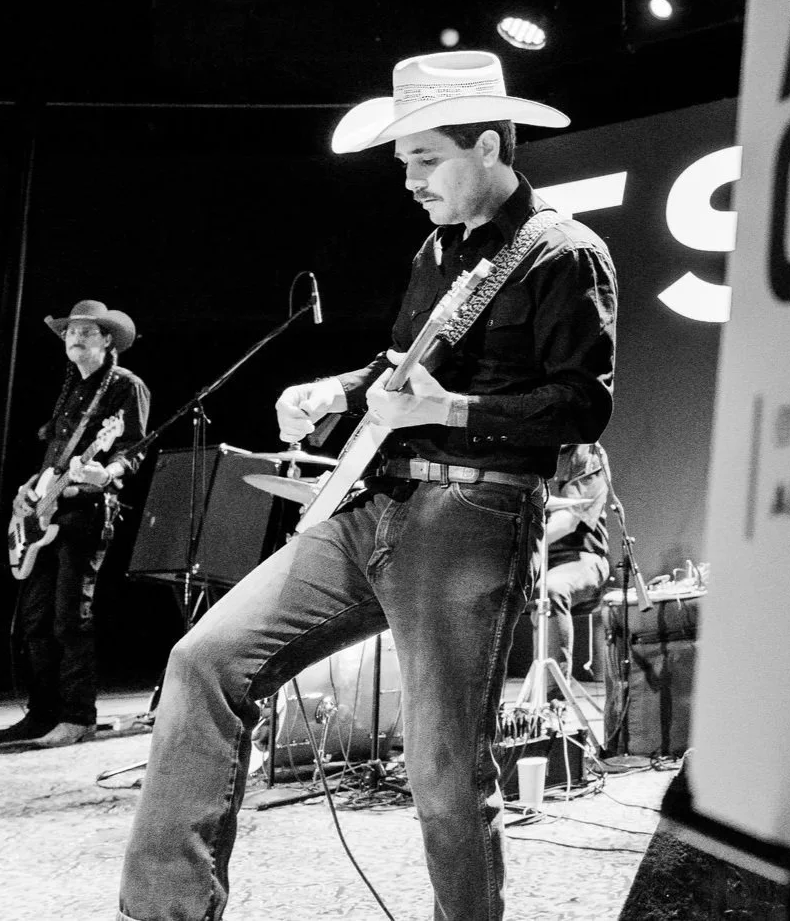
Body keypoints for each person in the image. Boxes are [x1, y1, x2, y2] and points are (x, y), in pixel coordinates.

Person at [118, 51, 617, 921]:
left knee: (441, 773)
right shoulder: (435, 250)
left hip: (472, 515)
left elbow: (582, 405)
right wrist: (339, 390)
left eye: (426, 159)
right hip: (369, 506)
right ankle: (164, 912)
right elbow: (398, 365)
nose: (410, 181)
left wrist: (454, 406)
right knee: (203, 660)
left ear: (491, 146)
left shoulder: (564, 252)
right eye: (404, 165)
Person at [0, 300, 149, 746]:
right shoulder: (70, 389)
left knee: (69, 618)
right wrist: (29, 491)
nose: (73, 337)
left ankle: (78, 718)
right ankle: (42, 714)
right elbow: (54, 460)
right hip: (48, 512)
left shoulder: (124, 386)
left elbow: (132, 448)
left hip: (87, 513)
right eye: (69, 331)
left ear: (106, 340)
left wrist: (109, 472)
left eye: (85, 330)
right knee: (34, 622)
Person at [538, 441, 614, 681]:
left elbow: (568, 521)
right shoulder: (529, 450)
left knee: (552, 589)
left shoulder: (587, 454)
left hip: (582, 559)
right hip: (537, 559)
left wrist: (521, 545)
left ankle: (553, 701)